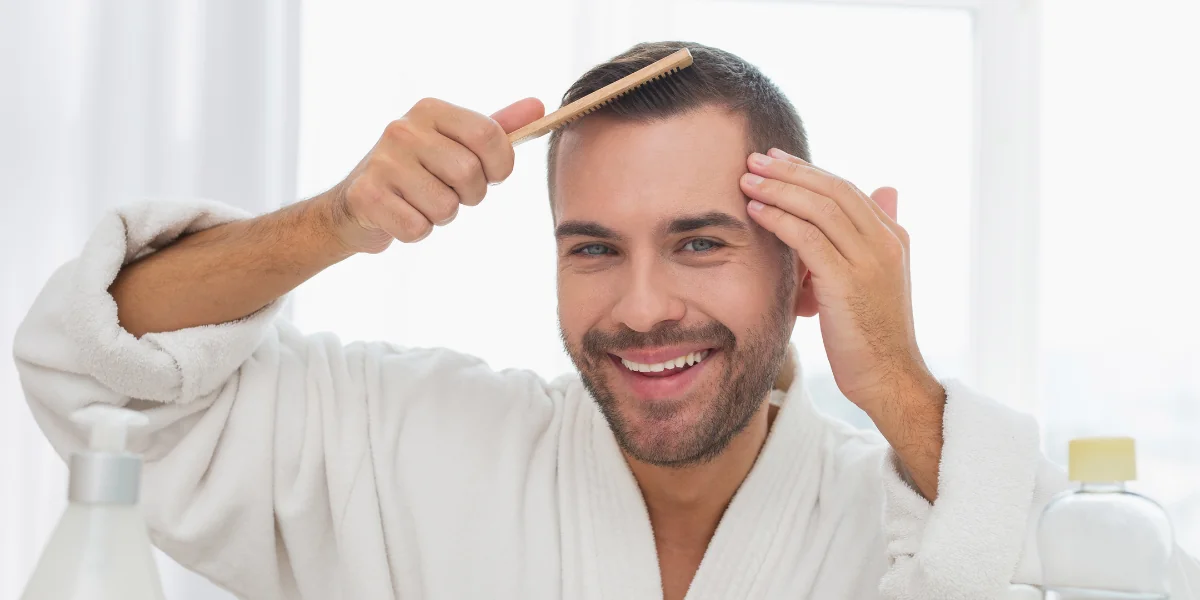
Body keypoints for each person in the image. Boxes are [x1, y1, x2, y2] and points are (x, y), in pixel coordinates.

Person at [14, 41, 1199, 600]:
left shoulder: (909, 510)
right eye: (593, 248)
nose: (639, 308)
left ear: (805, 272)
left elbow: (1121, 581)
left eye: (699, 242)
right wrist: (334, 221)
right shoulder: (417, 445)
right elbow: (108, 377)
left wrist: (894, 378)